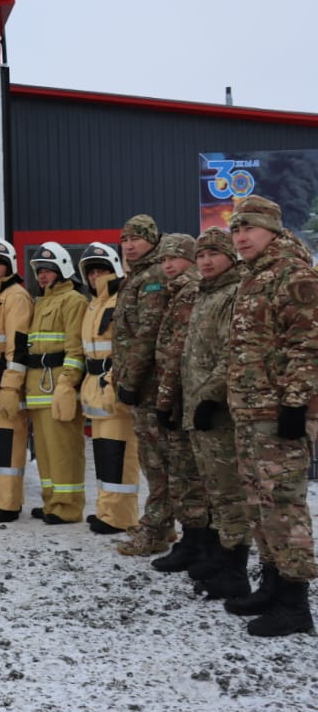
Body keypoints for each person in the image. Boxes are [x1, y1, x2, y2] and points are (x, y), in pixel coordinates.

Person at [223, 196, 318, 636]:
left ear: (273, 231)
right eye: (236, 231)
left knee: (283, 505)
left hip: (279, 410)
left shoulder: (293, 275)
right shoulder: (253, 275)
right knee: (259, 503)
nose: (241, 238)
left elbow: (307, 344)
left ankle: (296, 606)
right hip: (250, 408)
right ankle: (273, 583)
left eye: (249, 230)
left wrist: (296, 404)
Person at [157, 229, 248, 597]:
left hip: (219, 412)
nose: (207, 261)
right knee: (211, 488)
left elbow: (231, 352)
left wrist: (209, 396)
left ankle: (235, 567)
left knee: (228, 491)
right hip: (196, 408)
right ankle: (216, 555)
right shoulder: (204, 295)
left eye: (215, 253)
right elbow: (187, 355)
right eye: (203, 254)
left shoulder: (232, 294)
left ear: (230, 256)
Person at [113, 215, 178, 556]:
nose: (129, 244)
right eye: (124, 239)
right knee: (151, 458)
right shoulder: (135, 276)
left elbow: (147, 334)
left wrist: (130, 379)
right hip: (140, 384)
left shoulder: (152, 277)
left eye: (136, 238)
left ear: (152, 240)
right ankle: (161, 523)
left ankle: (156, 529)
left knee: (157, 460)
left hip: (150, 385)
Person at [149, 234, 209, 572]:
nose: (168, 265)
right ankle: (194, 541)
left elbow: (178, 351)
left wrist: (166, 398)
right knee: (184, 473)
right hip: (179, 394)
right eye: (164, 259)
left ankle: (198, 544)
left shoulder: (189, 292)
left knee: (188, 474)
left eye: (175, 258)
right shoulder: (178, 291)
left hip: (184, 396)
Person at [76, 242, 140, 536]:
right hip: (95, 389)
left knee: (119, 455)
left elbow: (127, 347)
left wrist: (118, 381)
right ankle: (107, 510)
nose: (95, 276)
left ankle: (121, 516)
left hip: (113, 387)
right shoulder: (93, 305)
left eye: (101, 270)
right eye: (91, 271)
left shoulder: (121, 301)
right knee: (103, 455)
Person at [22, 242, 87, 524]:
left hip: (58, 388)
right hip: (37, 389)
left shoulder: (73, 300)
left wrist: (67, 384)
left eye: (48, 270)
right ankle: (51, 503)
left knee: (64, 452)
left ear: (63, 270)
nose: (43, 276)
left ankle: (67, 508)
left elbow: (75, 349)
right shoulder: (41, 301)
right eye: (39, 271)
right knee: (46, 454)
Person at [0, 239, 33, 523]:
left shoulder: (16, 296)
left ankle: (9, 504)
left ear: (9, 265)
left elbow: (19, 345)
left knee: (9, 442)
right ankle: (0, 496)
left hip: (6, 385)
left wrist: (12, 384)